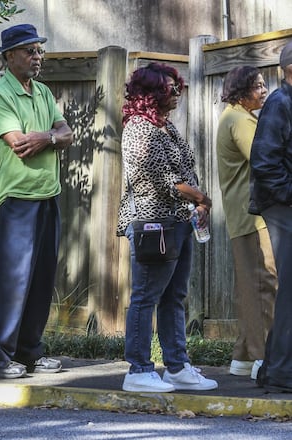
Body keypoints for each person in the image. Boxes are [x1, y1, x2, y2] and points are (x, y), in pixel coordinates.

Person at [0, 23, 73, 379]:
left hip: (48, 193)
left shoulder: (43, 92)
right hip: (16, 197)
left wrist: (46, 136)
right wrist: (52, 137)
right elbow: (19, 144)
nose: (37, 57)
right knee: (13, 278)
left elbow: (66, 133)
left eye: (38, 51)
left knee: (42, 276)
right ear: (9, 56)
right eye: (30, 51)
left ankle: (29, 351)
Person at [116, 62, 218, 393]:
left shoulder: (164, 127)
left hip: (178, 220)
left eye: (178, 87)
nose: (178, 93)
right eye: (172, 88)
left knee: (175, 297)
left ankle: (177, 367)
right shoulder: (138, 129)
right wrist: (202, 197)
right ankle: (139, 370)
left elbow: (185, 169)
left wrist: (197, 204)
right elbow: (164, 181)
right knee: (146, 297)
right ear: (153, 92)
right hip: (153, 224)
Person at [215, 66, 276, 380]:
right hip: (252, 217)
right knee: (263, 285)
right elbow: (264, 158)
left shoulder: (234, 116)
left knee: (256, 285)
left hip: (244, 216)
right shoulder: (240, 120)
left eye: (265, 85)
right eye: (258, 85)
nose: (264, 90)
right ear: (240, 90)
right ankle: (264, 359)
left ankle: (242, 356)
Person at [250, 40, 292, 392]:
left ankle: (273, 371)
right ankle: (281, 373)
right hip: (281, 206)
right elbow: (264, 163)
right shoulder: (279, 103)